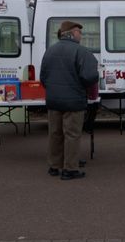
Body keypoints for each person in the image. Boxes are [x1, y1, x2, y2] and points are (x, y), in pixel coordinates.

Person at [40, 20, 98, 180]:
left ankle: (54, 166)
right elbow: (90, 77)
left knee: (55, 133)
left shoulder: (50, 51)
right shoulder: (81, 52)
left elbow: (43, 77)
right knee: (72, 134)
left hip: (53, 100)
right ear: (72, 33)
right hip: (73, 101)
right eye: (80, 32)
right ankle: (70, 169)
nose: (81, 35)